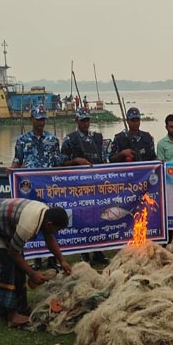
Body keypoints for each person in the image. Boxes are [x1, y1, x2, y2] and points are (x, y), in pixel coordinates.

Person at [0, 199, 71, 328]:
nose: (56, 233)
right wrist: (32, 273)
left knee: (19, 267)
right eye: (56, 229)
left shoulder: (45, 214)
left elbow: (49, 237)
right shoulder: (28, 225)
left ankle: (21, 307)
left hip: (0, 220)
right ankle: (11, 315)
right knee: (7, 267)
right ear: (49, 224)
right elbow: (13, 253)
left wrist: (62, 261)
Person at [11, 104, 68, 271]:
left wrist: (76, 163)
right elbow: (18, 160)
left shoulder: (52, 140)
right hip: (30, 188)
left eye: (43, 119)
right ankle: (35, 257)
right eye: (38, 119)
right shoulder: (22, 140)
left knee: (50, 223)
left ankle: (52, 258)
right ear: (31, 119)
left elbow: (58, 162)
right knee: (33, 221)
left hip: (49, 186)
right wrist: (11, 169)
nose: (41, 122)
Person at [61, 107, 109, 265]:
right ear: (77, 121)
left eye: (87, 120)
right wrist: (76, 161)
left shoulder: (97, 138)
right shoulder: (70, 139)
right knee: (82, 218)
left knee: (99, 217)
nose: (86, 123)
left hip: (97, 184)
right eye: (82, 120)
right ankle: (83, 253)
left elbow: (104, 159)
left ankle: (98, 252)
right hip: (78, 186)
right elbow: (61, 163)